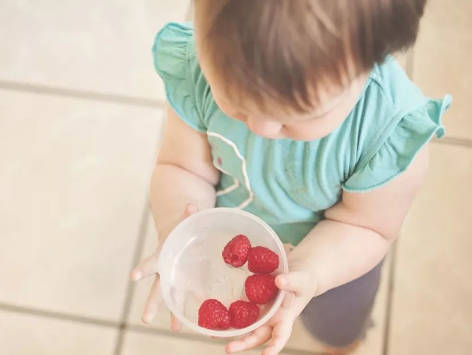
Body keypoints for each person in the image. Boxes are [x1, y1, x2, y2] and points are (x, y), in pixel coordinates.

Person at [131, 1, 451, 354]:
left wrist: (312, 271)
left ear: (373, 59)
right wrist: (179, 227)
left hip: (335, 261)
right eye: (236, 102)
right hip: (233, 236)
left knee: (338, 325)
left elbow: (367, 226)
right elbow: (183, 167)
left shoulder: (388, 131)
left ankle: (341, 344)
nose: (261, 128)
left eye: (294, 117)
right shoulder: (198, 70)